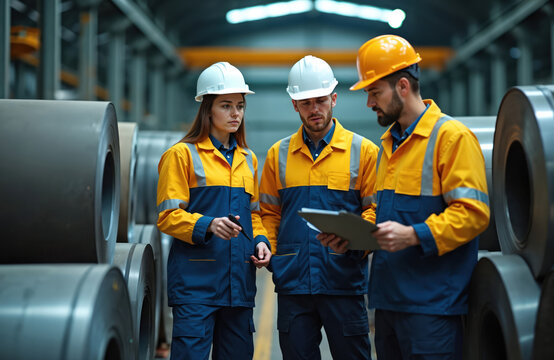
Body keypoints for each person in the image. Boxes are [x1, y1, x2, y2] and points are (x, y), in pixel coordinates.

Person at [321, 35, 491, 359]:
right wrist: (355, 239)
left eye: (374, 92)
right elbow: (388, 221)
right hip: (388, 304)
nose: (370, 103)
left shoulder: (451, 138)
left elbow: (474, 213)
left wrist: (415, 235)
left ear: (402, 86)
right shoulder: (388, 145)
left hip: (432, 309)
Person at [259, 55, 379, 360]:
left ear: (334, 99)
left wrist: (357, 243)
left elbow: (375, 210)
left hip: (343, 280)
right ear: (294, 105)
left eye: (321, 100)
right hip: (293, 283)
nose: (315, 109)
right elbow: (269, 214)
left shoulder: (363, 151)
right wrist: (272, 253)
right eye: (306, 102)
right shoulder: (278, 155)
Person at [156, 61, 272, 360]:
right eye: (226, 105)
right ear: (207, 109)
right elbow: (167, 217)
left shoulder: (249, 159)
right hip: (197, 286)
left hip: (239, 288)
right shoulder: (180, 155)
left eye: (240, 106)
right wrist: (207, 224)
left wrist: (260, 240)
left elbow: (254, 214)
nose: (236, 113)